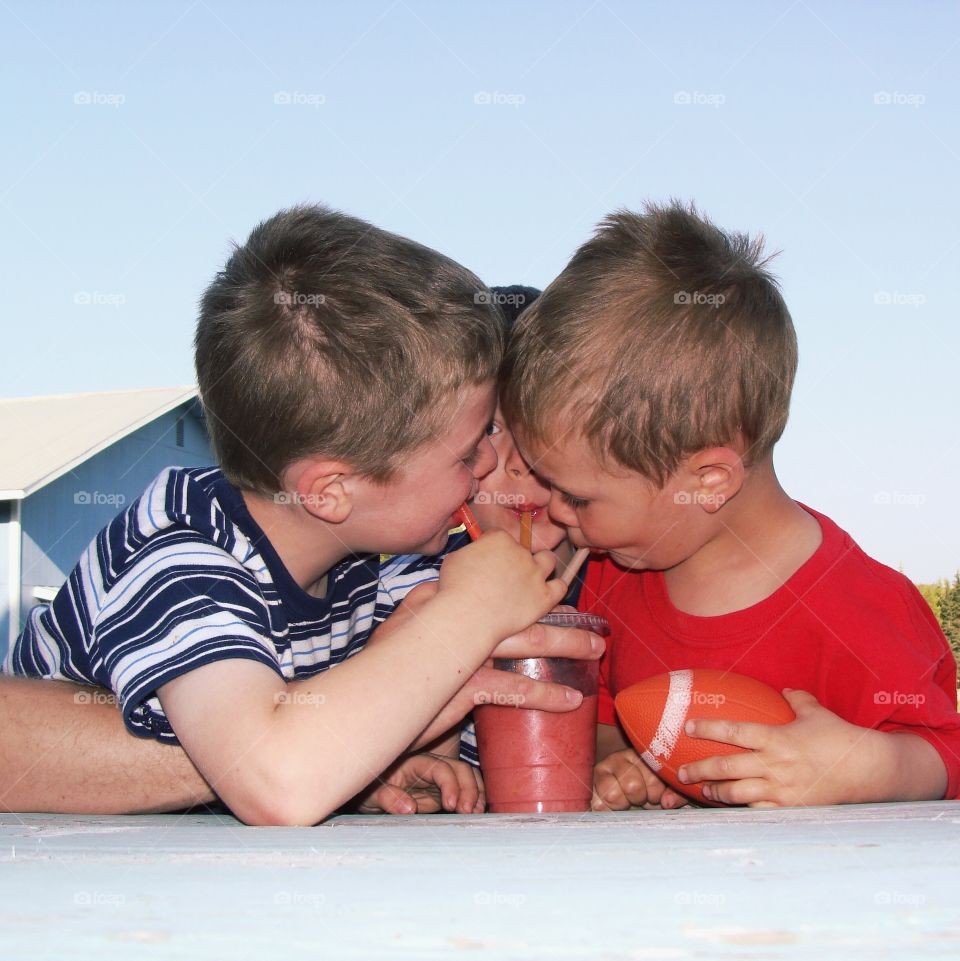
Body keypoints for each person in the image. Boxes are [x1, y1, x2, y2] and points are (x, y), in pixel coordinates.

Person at [1, 204, 604, 824]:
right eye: (469, 446)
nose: (487, 466)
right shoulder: (182, 556)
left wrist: (389, 759)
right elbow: (279, 784)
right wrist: (466, 616)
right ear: (330, 491)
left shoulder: (378, 562)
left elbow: (393, 726)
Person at [500, 200, 960, 809]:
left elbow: (946, 753)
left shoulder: (863, 610)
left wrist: (866, 768)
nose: (555, 512)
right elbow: (608, 717)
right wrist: (631, 763)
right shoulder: (612, 573)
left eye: (577, 496)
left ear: (711, 479)